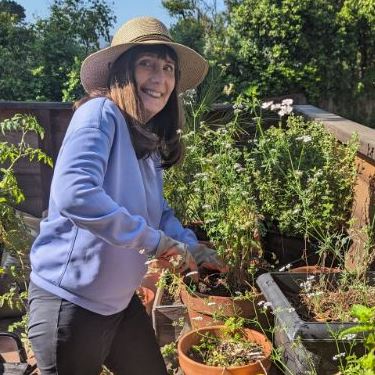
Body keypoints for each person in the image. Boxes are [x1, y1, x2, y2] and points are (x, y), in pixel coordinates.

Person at [27, 16, 225, 375]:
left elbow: (159, 213)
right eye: (146, 64)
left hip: (118, 306)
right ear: (121, 73)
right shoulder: (99, 113)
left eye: (167, 68)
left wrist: (191, 246)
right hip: (69, 305)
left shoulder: (145, 139)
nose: (160, 78)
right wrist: (157, 244)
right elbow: (75, 194)